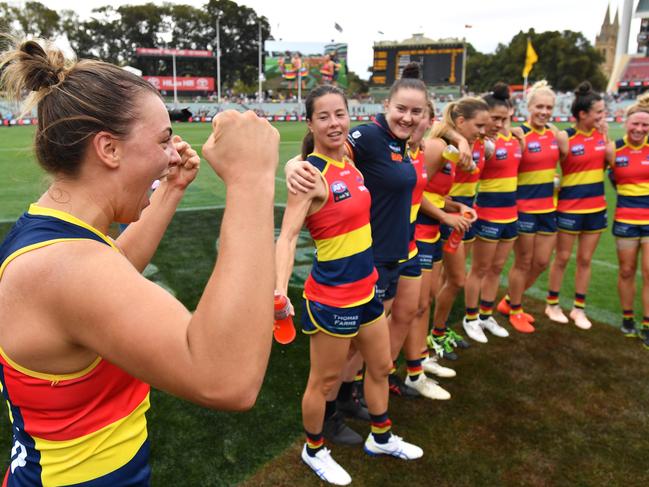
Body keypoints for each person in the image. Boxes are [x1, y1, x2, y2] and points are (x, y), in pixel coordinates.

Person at [0, 39, 278, 485]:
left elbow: (112, 274)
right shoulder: (65, 267)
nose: (172, 153)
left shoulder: (55, 234)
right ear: (108, 149)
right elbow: (226, 377)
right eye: (164, 139)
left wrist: (171, 190)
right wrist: (251, 180)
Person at [275, 85, 422, 486]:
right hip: (332, 298)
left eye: (339, 114)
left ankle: (381, 437)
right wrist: (278, 292)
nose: (334, 123)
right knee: (322, 381)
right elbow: (286, 237)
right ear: (310, 123)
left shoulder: (352, 166)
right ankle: (314, 449)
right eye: (323, 116)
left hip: (367, 290)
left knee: (379, 366)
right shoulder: (311, 176)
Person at [389, 100, 454, 400]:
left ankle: (409, 369)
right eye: (407, 113)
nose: (413, 121)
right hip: (387, 248)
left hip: (412, 242)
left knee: (414, 307)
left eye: (421, 116)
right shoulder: (389, 151)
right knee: (382, 317)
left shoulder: (420, 151)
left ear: (430, 121)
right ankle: (371, 379)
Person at [544, 81, 610, 330]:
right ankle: (552, 304)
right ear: (583, 114)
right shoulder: (566, 137)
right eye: (599, 112)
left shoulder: (601, 136)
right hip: (570, 207)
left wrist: (604, 135)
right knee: (561, 258)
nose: (602, 116)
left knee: (585, 260)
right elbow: (552, 164)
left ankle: (578, 309)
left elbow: (610, 164)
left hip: (596, 208)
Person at [498, 81, 562, 333]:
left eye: (548, 107)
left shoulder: (555, 134)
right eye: (539, 106)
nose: (544, 111)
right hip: (523, 208)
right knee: (523, 262)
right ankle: (515, 309)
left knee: (542, 262)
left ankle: (508, 301)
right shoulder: (518, 134)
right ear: (529, 107)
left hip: (548, 208)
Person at [424, 98, 486, 356]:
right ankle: (431, 338)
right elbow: (417, 191)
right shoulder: (443, 146)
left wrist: (456, 208)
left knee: (443, 284)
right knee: (454, 280)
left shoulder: (477, 145)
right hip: (433, 220)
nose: (485, 129)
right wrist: (447, 213)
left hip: (452, 213)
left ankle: (434, 334)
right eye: (480, 124)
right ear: (461, 122)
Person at [463, 83, 520, 343]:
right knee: (480, 268)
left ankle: (486, 314)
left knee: (497, 268)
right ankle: (471, 317)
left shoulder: (516, 138)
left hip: (511, 213)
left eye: (503, 118)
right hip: (487, 212)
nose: (498, 123)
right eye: (493, 118)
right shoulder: (480, 144)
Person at [609, 93, 649, 348]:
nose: (640, 129)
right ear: (626, 123)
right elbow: (611, 177)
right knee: (626, 271)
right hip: (625, 218)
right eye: (635, 124)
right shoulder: (614, 149)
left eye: (645, 125)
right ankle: (627, 318)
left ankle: (647, 323)